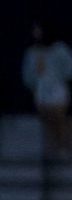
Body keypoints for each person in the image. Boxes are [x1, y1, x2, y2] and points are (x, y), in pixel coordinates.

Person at [22, 24, 72, 153]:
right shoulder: (33, 53)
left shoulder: (60, 50)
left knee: (59, 120)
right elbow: (29, 77)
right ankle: (54, 149)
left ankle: (64, 147)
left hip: (58, 92)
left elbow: (68, 71)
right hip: (42, 93)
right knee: (48, 122)